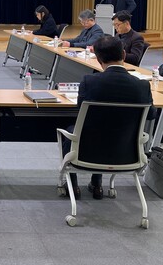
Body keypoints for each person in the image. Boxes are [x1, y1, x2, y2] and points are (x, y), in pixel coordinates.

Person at [61, 35, 153, 199]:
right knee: (108, 130)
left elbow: (80, 110)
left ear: (98, 59)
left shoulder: (89, 81)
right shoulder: (142, 85)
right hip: (127, 151)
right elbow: (151, 114)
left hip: (88, 151)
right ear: (123, 54)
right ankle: (97, 184)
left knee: (77, 130)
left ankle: (73, 186)